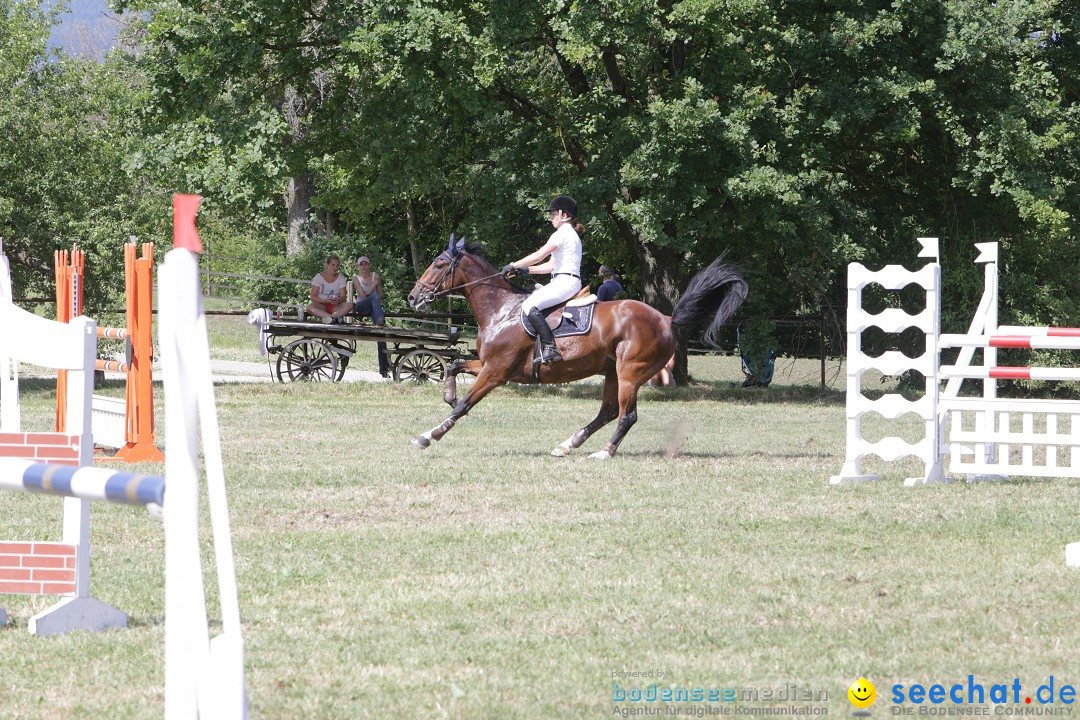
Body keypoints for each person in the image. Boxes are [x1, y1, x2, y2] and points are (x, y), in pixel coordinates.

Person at [501, 195, 583, 364]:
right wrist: (526, 269)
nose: (550, 218)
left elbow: (539, 255)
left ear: (564, 215)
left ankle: (550, 348)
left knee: (529, 305)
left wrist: (513, 264)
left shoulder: (562, 233)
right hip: (564, 280)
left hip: (565, 282)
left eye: (553, 214)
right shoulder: (568, 234)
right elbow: (551, 265)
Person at [352, 255, 389, 377]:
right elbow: (362, 296)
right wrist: (373, 286)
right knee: (373, 297)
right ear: (358, 266)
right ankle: (380, 320)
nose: (363, 266)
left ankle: (384, 369)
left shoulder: (375, 275)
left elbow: (381, 294)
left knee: (381, 335)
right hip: (361, 306)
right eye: (361, 264)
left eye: (365, 264)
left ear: (369, 265)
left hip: (374, 307)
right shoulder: (356, 278)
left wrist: (375, 287)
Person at [306, 254, 352, 323]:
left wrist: (338, 301)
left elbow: (343, 297)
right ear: (327, 264)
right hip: (321, 305)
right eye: (333, 265)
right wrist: (325, 301)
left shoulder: (341, 277)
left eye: (337, 265)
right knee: (309, 307)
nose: (335, 268)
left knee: (350, 305)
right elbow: (313, 297)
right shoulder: (318, 277)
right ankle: (333, 318)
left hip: (336, 306)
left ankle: (331, 318)